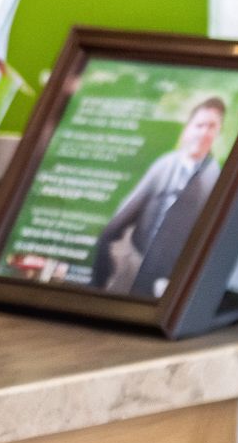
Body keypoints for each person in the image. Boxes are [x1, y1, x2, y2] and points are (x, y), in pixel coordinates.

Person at [89, 97, 227, 297]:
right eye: (199, 125)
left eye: (211, 127)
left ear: (218, 132)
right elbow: (121, 220)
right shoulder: (164, 165)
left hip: (169, 284)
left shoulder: (215, 178)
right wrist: (98, 281)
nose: (204, 132)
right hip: (135, 267)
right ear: (188, 128)